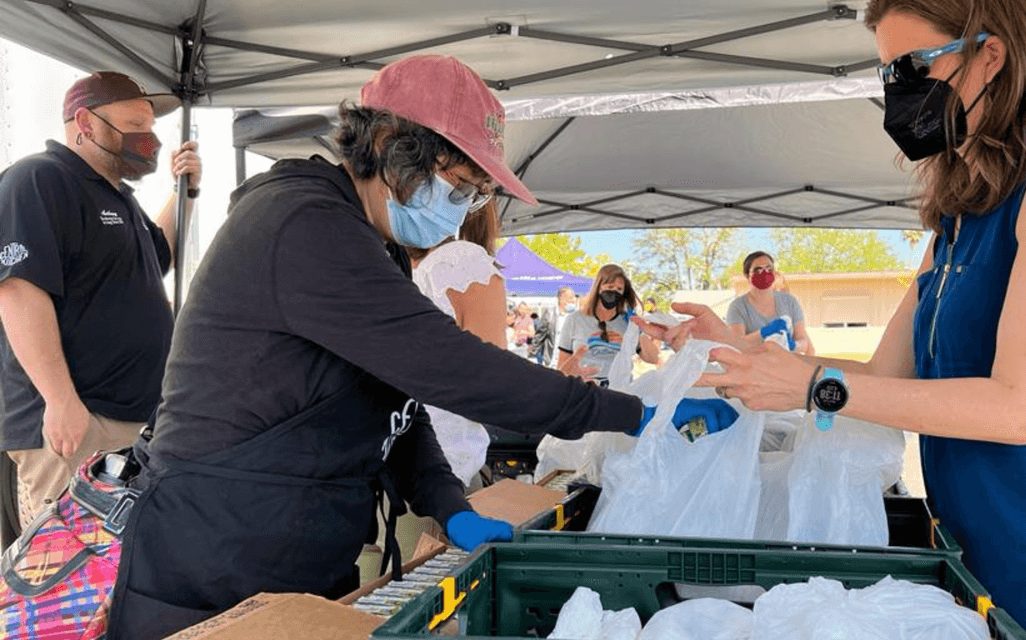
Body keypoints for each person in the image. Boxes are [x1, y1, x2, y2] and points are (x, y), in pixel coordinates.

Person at [640, 0, 1026, 640]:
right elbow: (885, 377)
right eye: (888, 72)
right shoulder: (964, 212)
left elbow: (1017, 408)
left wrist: (813, 389)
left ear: (992, 54)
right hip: (981, 568)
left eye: (915, 66)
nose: (899, 89)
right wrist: (742, 352)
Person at [106, 55, 736, 640]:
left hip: (293, 554)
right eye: (459, 185)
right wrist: (634, 412)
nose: (462, 210)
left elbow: (396, 403)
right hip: (212, 561)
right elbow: (453, 367)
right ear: (390, 146)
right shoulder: (303, 222)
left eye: (475, 196)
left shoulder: (370, 242)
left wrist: (446, 503)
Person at [0, 71, 201, 529]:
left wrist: (183, 193)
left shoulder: (118, 197)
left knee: (121, 561)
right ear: (85, 123)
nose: (149, 139)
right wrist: (60, 400)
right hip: (77, 424)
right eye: (134, 125)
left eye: (150, 127)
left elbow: (161, 256)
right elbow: (18, 290)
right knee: (69, 563)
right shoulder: (40, 180)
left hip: (130, 422)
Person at [410, 201, 505, 484]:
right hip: (431, 463)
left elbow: (490, 381)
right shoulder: (457, 263)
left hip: (425, 465)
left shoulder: (456, 263)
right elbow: (493, 384)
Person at [557, 265, 660, 386]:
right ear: (598, 287)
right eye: (610, 287)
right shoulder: (574, 320)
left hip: (618, 389)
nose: (614, 292)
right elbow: (561, 367)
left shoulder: (629, 323)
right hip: (584, 389)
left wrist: (639, 330)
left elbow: (653, 358)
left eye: (619, 289)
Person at [725, 251, 814, 355]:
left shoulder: (789, 301)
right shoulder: (738, 307)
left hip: (788, 363)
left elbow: (804, 342)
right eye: (758, 270)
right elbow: (737, 345)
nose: (764, 273)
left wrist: (793, 345)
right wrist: (764, 333)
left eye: (769, 269)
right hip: (756, 364)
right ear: (747, 275)